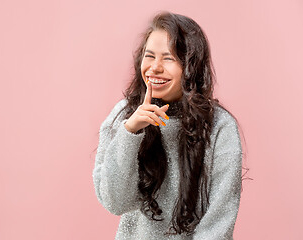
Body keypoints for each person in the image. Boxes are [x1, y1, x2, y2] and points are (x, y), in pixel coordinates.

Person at [93, 11, 243, 240]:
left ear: (191, 66)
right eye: (149, 56)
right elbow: (115, 202)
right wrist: (130, 131)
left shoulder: (219, 127)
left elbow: (219, 223)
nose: (155, 68)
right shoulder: (123, 117)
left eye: (169, 58)